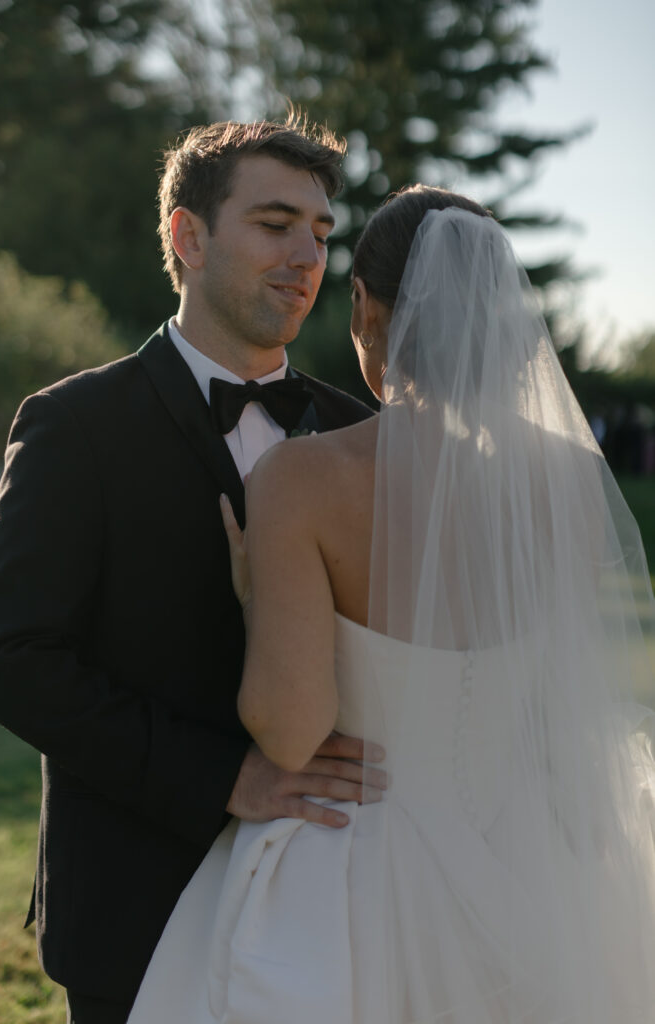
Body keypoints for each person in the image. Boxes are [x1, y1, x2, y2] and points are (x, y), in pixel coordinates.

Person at [127, 185, 655, 1023]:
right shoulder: (569, 484)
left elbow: (290, 727)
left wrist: (258, 595)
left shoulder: (303, 480)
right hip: (526, 856)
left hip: (352, 863)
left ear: (365, 308)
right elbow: (557, 710)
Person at [0, 115, 378, 1024]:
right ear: (186, 236)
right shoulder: (73, 425)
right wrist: (221, 779)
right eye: (274, 225)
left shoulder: (361, 434)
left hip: (333, 901)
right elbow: (8, 658)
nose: (306, 257)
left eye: (319, 234)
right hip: (136, 903)